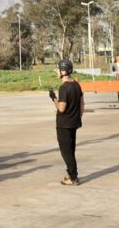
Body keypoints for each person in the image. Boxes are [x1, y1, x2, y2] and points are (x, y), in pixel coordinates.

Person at [49, 58, 84, 187]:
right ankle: (71, 173)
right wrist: (77, 117)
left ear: (63, 71)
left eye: (58, 69)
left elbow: (62, 108)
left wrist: (53, 98)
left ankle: (73, 178)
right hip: (74, 123)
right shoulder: (76, 84)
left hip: (64, 124)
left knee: (66, 152)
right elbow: (82, 104)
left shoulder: (64, 88)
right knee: (71, 150)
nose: (57, 72)